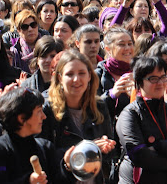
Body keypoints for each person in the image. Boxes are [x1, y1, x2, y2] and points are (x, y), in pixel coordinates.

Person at [116, 56, 167, 183]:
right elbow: (139, 155)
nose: (160, 83)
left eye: (163, 77)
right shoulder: (130, 114)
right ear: (139, 82)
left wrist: (158, 145)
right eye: (153, 78)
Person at [39, 50, 117, 183]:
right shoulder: (47, 110)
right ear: (60, 78)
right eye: (69, 74)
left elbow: (110, 154)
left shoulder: (99, 106)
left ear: (89, 76)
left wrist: (106, 147)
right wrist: (86, 148)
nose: (76, 79)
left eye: (82, 73)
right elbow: (43, 154)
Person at [0, 87, 74, 183]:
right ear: (21, 118)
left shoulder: (45, 147)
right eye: (39, 111)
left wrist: (67, 167)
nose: (44, 116)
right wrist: (28, 181)